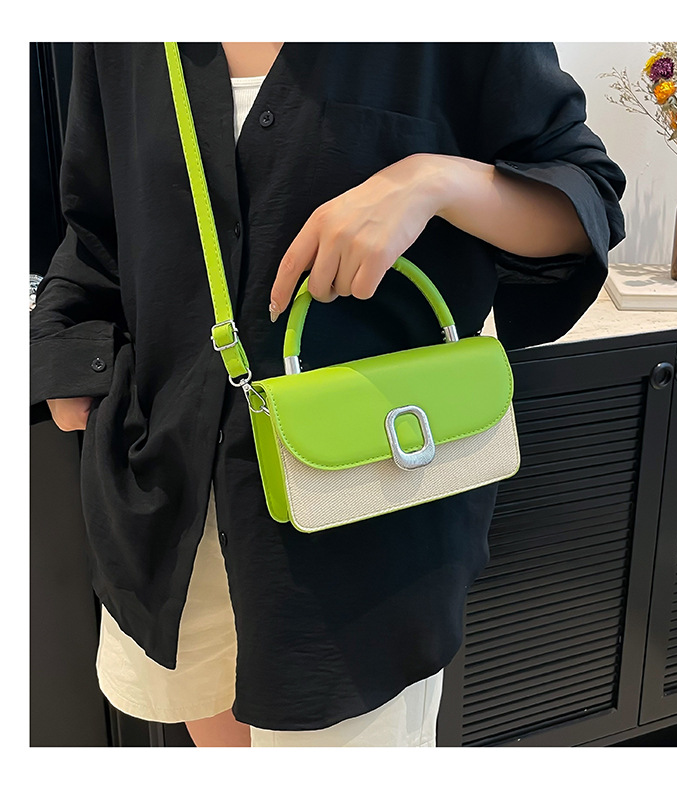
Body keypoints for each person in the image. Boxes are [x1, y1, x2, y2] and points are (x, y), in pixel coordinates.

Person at [30, 42, 626, 747]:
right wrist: (65, 358)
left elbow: (584, 201)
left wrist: (430, 181)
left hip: (365, 525)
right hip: (168, 500)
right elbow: (96, 226)